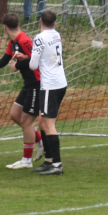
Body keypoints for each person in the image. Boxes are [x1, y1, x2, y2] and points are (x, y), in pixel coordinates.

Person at [0, 12, 44, 169]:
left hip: (36, 84)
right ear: (18, 24)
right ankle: (41, 142)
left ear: (5, 28)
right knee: (15, 115)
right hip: (28, 85)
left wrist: (17, 65)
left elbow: (35, 60)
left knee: (26, 122)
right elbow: (6, 58)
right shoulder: (14, 41)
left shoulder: (24, 40)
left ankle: (26, 160)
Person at [30, 10, 68, 175]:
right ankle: (49, 160)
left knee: (48, 124)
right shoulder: (56, 34)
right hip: (60, 83)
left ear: (40, 21)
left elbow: (33, 65)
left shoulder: (39, 37)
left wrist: (26, 58)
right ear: (54, 23)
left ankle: (57, 164)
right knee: (41, 120)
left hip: (50, 85)